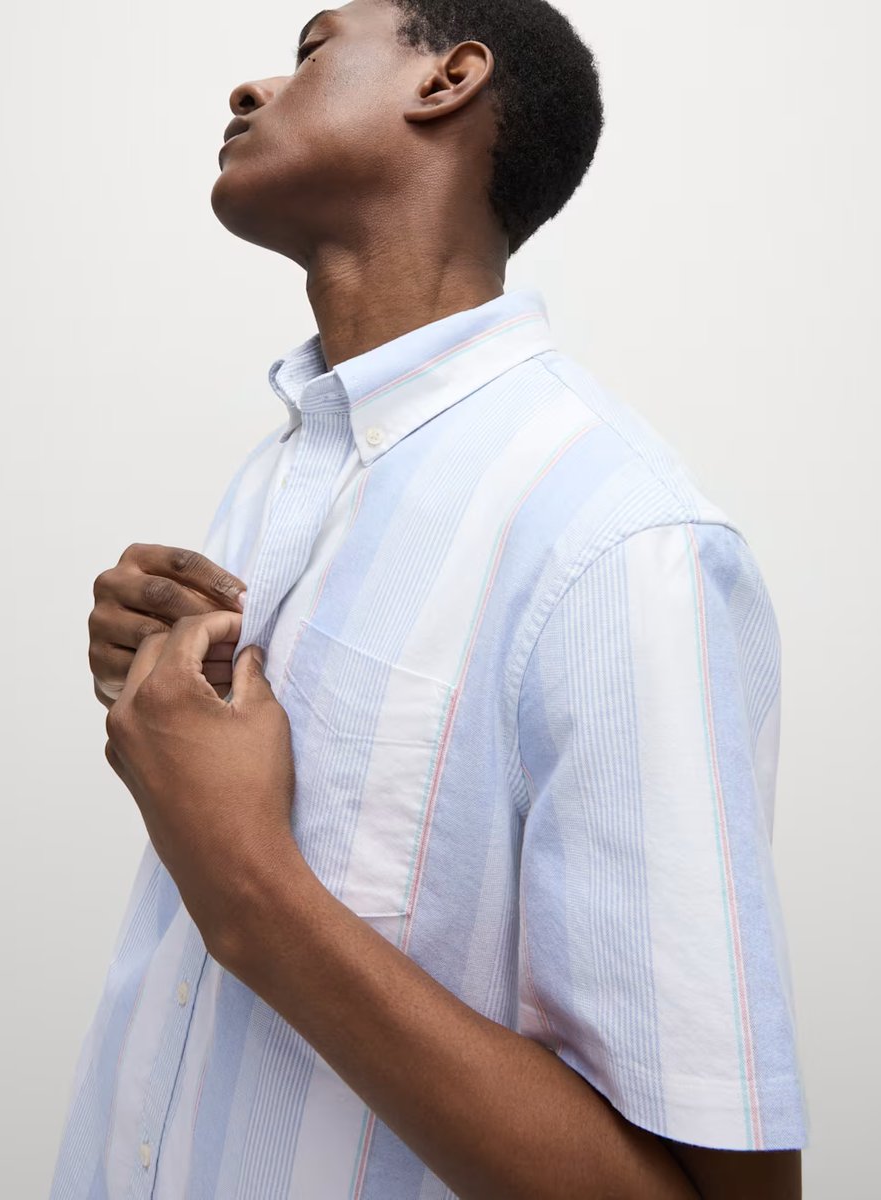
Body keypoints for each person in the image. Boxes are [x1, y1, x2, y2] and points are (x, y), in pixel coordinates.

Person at [49, 1, 809, 1196]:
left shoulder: (622, 542)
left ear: (447, 80)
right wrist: (152, 683)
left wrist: (248, 885)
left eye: (311, 50)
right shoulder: (275, 472)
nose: (248, 91)